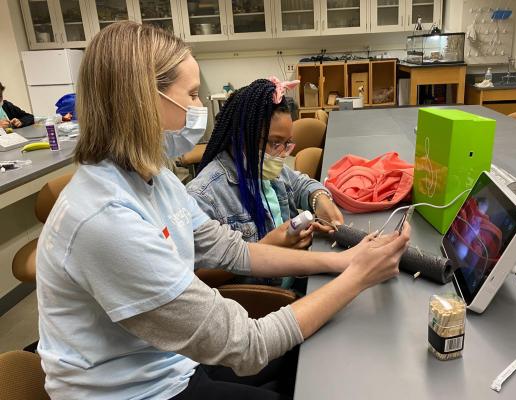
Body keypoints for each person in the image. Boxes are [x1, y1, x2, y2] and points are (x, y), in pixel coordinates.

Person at [36, 21, 410, 400]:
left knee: (310, 356)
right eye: (194, 95)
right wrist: (359, 276)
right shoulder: (105, 220)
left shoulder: (156, 179)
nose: (202, 108)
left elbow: (234, 250)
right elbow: (247, 346)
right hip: (134, 391)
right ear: (142, 101)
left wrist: (345, 263)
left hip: (168, 359)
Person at [187, 78, 343, 254]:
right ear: (242, 136)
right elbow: (197, 273)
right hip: (263, 281)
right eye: (275, 143)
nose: (283, 153)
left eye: (287, 143)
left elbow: (301, 184)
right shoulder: (204, 196)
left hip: (293, 270)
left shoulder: (266, 168)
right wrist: (267, 248)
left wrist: (320, 200)